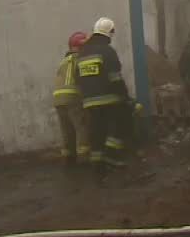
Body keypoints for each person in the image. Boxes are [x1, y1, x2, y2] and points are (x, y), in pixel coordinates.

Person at [76, 17, 132, 178]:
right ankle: (112, 156)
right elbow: (115, 78)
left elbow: (77, 77)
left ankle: (97, 166)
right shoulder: (107, 51)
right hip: (108, 98)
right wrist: (125, 97)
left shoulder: (82, 52)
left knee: (96, 132)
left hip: (88, 101)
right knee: (123, 121)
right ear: (109, 33)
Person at [52, 31, 91, 169]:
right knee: (82, 128)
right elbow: (85, 81)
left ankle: (68, 159)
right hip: (73, 99)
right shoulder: (80, 60)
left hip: (58, 100)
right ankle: (84, 159)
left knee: (66, 130)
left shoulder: (63, 61)